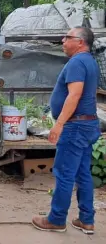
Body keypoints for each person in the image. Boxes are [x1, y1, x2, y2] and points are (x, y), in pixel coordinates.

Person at [32, 26, 100, 234]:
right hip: (87, 124)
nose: (63, 40)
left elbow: (74, 95)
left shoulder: (77, 62)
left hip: (75, 126)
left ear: (80, 42)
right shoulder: (90, 62)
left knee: (64, 173)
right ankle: (86, 220)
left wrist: (59, 124)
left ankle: (56, 219)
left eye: (67, 37)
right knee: (82, 174)